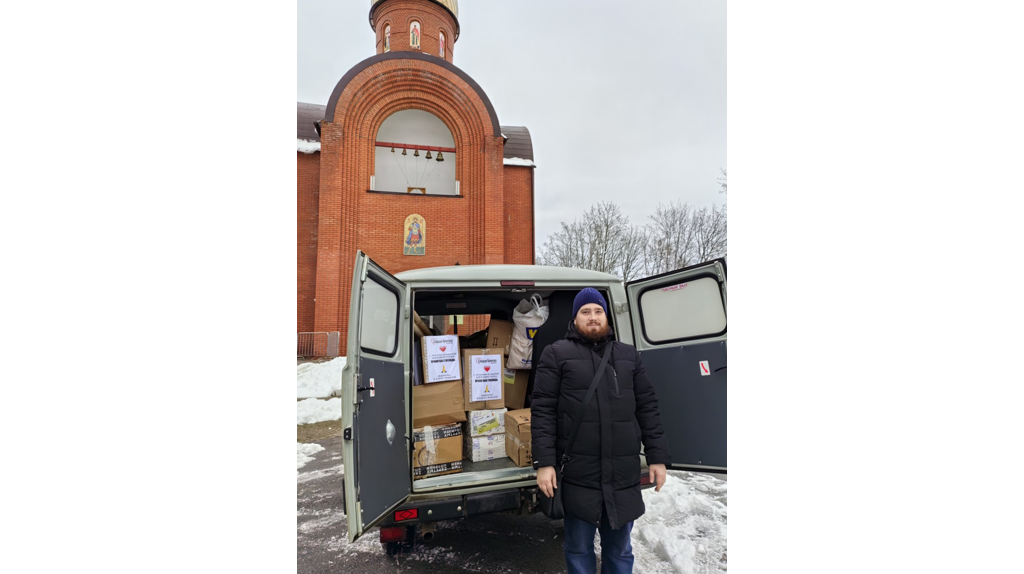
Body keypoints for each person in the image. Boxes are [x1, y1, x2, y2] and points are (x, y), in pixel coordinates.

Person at [532, 287, 670, 574]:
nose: (593, 317)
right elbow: (543, 411)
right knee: (578, 550)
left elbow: (648, 408)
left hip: (622, 474)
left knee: (619, 552)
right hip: (578, 475)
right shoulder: (556, 354)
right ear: (575, 319)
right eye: (585, 312)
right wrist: (545, 463)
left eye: (598, 311)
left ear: (606, 317)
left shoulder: (628, 356)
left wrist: (657, 457)